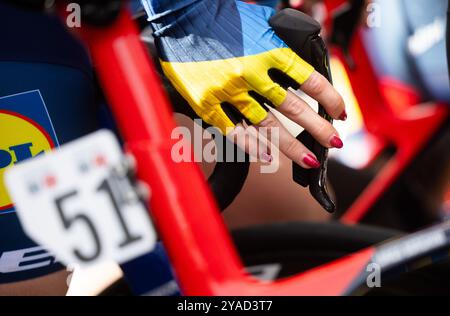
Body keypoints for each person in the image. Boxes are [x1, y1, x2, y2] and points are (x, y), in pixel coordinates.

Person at [0, 0, 345, 295]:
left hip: (122, 25)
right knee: (34, 286)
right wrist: (184, 15)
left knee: (286, 213)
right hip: (24, 36)